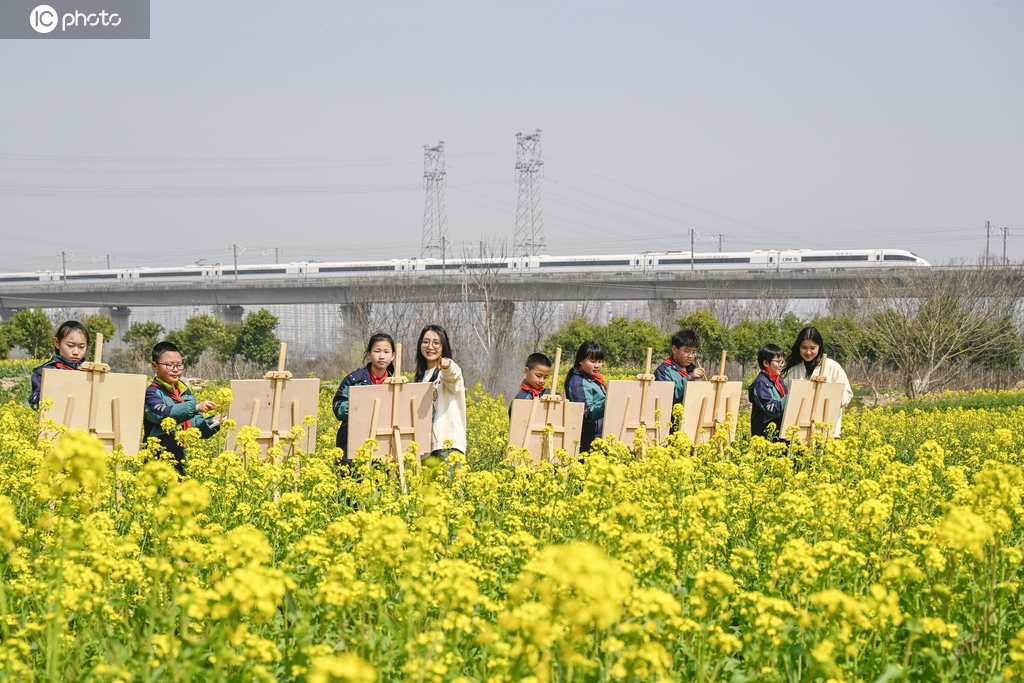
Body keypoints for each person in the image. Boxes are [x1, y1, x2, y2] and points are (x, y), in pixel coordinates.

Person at [144, 341, 222, 476]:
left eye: (179, 365)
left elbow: (196, 427)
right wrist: (195, 407)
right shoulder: (152, 393)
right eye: (169, 365)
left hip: (185, 461)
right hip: (161, 464)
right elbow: (162, 414)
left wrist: (212, 422)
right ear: (155, 366)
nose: (175, 369)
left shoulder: (185, 393)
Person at [332, 332, 396, 467]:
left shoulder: (396, 383)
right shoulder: (354, 379)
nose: (382, 356)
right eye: (377, 351)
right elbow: (338, 408)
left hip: (383, 443)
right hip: (352, 440)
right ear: (368, 354)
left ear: (393, 356)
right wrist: (358, 406)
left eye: (386, 352)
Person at [782, 326, 853, 436]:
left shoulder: (833, 367)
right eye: (804, 348)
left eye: (812, 348)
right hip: (798, 433)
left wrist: (826, 398)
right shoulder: (794, 371)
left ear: (819, 346)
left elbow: (847, 394)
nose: (808, 352)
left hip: (827, 430)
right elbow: (784, 397)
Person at [414, 325, 466, 464]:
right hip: (425, 449)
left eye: (436, 343)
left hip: (447, 445)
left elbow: (453, 376)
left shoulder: (448, 370)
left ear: (444, 346)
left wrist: (447, 366)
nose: (430, 346)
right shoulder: (419, 378)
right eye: (425, 342)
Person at [29, 320, 90, 409]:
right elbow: (35, 403)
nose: (76, 352)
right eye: (70, 345)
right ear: (57, 343)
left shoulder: (89, 373)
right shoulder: (44, 372)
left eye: (81, 347)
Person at [654, 329, 707, 427]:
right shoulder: (663, 370)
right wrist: (689, 379)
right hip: (671, 425)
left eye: (694, 352)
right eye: (687, 351)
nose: (691, 356)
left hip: (692, 423)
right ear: (674, 349)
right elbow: (666, 398)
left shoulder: (693, 370)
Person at [564, 341, 607, 454]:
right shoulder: (578, 383)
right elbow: (586, 413)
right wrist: (607, 404)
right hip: (588, 438)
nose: (597, 365)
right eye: (592, 361)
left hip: (598, 435)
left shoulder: (592, 378)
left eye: (599, 361)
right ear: (581, 361)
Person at [748, 343, 787, 439]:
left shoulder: (778, 380)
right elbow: (773, 409)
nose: (782, 365)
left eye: (783, 361)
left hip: (778, 435)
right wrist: (792, 396)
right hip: (765, 438)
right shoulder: (761, 384)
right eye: (778, 362)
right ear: (766, 363)